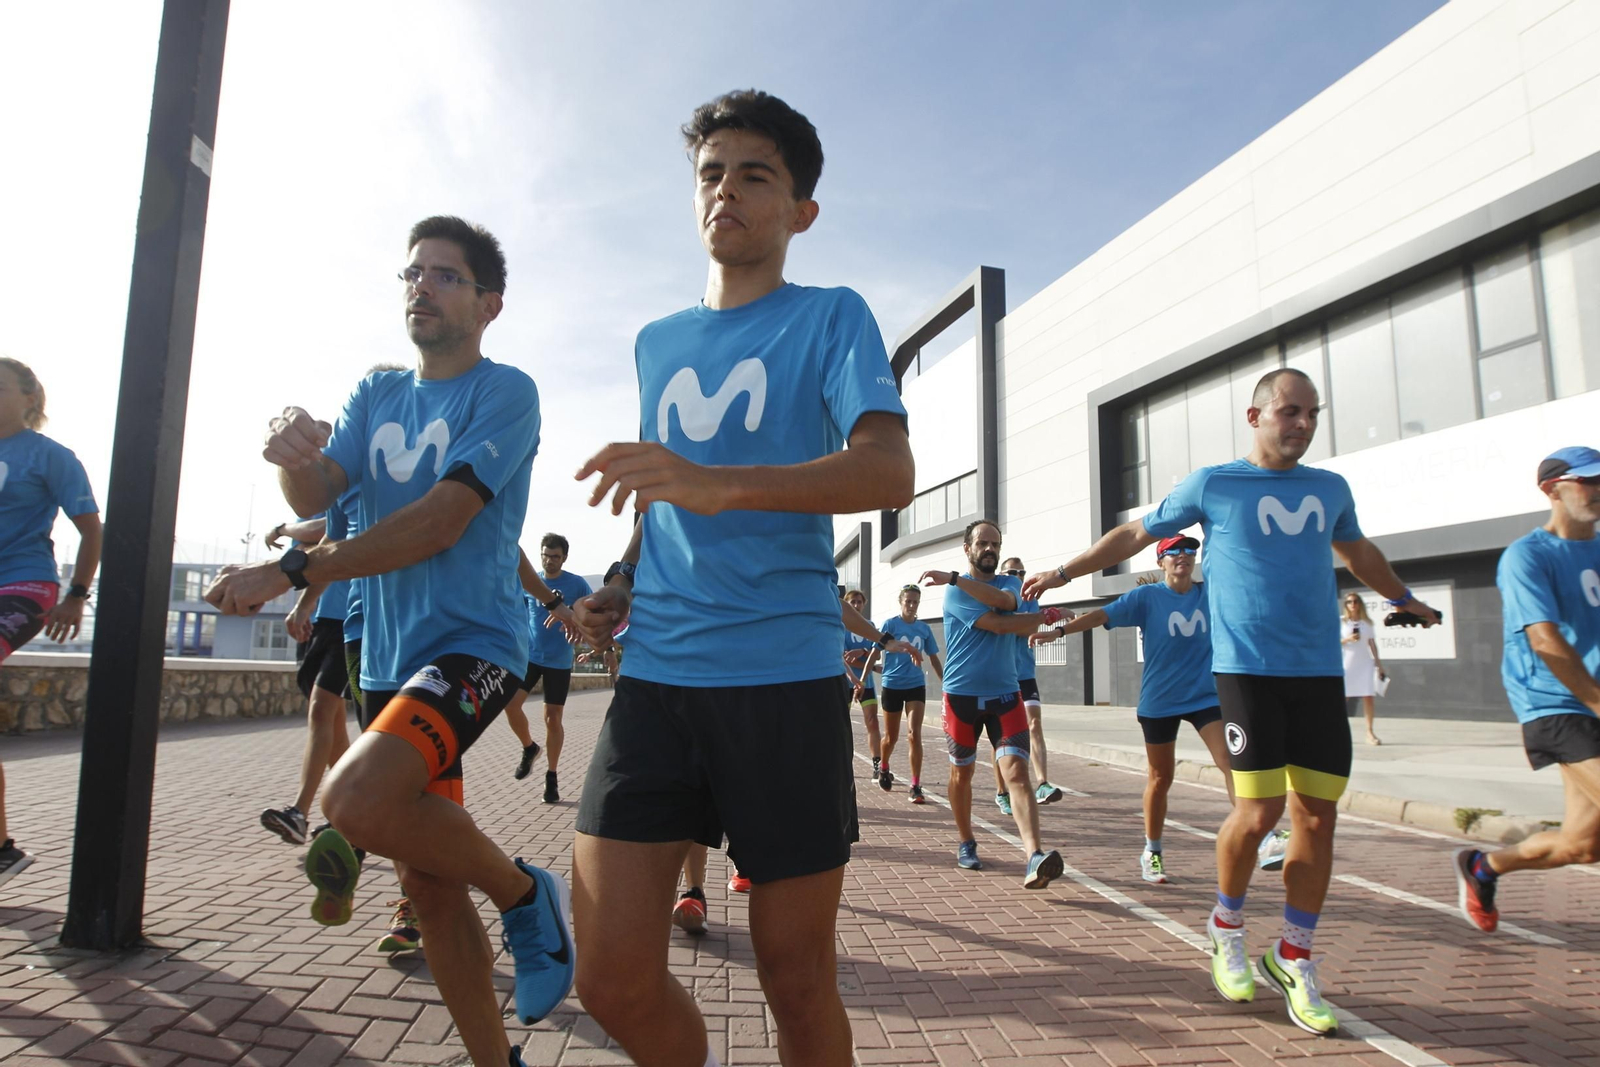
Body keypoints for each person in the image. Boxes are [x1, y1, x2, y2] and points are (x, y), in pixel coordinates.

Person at [567, 90, 914, 1067]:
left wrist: (716, 485)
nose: (726, 188)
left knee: (796, 983)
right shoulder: (656, 341)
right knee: (610, 974)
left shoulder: (832, 317)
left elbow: (887, 470)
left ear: (800, 209)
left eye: (754, 173)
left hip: (783, 674)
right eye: (710, 172)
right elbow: (662, 497)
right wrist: (623, 583)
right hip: (656, 680)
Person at [205, 215, 570, 1067]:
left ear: (490, 303)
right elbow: (323, 486)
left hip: (474, 649)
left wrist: (294, 574)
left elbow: (444, 520)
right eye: (413, 273)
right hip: (387, 659)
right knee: (430, 886)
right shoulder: (373, 395)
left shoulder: (506, 391)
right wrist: (291, 453)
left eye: (445, 276)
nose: (421, 287)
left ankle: (526, 893)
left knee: (353, 799)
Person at [1023, 367, 1439, 1037]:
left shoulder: (1329, 489)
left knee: (1319, 818)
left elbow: (1357, 549)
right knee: (1257, 811)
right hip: (1245, 671)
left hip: (1316, 675)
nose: (1301, 423)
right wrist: (1064, 572)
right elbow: (1135, 533)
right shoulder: (1215, 483)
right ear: (1255, 417)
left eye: (1311, 412)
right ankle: (1227, 924)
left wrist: (1402, 596)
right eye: (1288, 411)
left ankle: (1295, 954)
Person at [1031, 536, 1236, 884]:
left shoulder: (1209, 593)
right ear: (1161, 562)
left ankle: (1258, 832)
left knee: (1232, 762)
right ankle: (1152, 851)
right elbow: (1101, 615)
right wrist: (1058, 632)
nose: (1182, 556)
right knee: (1161, 778)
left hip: (1204, 697)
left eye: (1189, 550)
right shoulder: (1147, 597)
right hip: (1160, 700)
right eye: (1173, 551)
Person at [1455, 446, 1600, 935]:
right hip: (1555, 702)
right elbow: (1545, 639)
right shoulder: (1527, 556)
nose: (1599, 490)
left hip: (1593, 703)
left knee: (1582, 846)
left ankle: (1485, 868)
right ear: (1552, 489)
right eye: (1589, 481)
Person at [0, 357, 101, 884]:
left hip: (24, 585)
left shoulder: (50, 457)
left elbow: (91, 530)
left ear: (29, 400)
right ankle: (1, 847)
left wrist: (76, 595)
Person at [924, 520, 1066, 888]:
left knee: (1017, 772)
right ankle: (966, 840)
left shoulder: (1007, 583)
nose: (989, 549)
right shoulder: (954, 595)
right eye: (982, 543)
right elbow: (1003, 625)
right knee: (962, 774)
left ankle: (1034, 855)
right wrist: (1033, 618)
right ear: (967, 548)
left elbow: (1006, 604)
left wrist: (956, 578)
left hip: (1006, 693)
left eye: (995, 544)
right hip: (962, 696)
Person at [260, 506, 354, 846]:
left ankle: (299, 812)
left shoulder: (342, 492)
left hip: (351, 620)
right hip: (319, 622)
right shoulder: (306, 511)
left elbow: (328, 531)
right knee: (333, 727)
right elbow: (300, 564)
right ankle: (350, 816)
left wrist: (283, 528)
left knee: (321, 711)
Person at [509, 534, 592, 800]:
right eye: (545, 555)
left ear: (564, 557)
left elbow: (590, 615)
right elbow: (516, 613)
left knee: (552, 719)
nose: (549, 560)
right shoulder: (530, 582)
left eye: (555, 556)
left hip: (558, 661)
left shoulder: (577, 584)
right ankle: (529, 747)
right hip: (530, 657)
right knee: (510, 705)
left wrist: (569, 613)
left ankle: (551, 776)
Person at [991, 556, 1063, 814]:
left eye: (1021, 572)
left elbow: (1032, 627)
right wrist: (1048, 617)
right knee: (1000, 737)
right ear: (1002, 574)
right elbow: (1019, 628)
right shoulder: (998, 599)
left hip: (1024, 672)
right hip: (1000, 674)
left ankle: (1042, 783)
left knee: (1034, 723)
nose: (1018, 576)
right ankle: (1002, 792)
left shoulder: (1031, 599)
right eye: (1012, 572)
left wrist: (1046, 623)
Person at [874, 584, 944, 804]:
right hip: (892, 685)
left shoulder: (924, 629)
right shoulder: (890, 624)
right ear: (901, 602)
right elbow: (875, 652)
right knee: (891, 737)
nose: (912, 606)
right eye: (908, 602)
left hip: (915, 685)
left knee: (914, 734)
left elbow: (933, 658)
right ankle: (884, 767)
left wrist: (946, 684)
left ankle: (915, 785)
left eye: (915, 602)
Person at [842, 589, 884, 783]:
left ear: (864, 604)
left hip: (866, 682)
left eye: (859, 602)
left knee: (872, 721)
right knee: (842, 724)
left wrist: (863, 651)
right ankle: (843, 764)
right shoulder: (842, 627)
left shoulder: (869, 626)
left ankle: (877, 764)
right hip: (847, 681)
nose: (857, 605)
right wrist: (871, 663)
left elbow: (876, 651)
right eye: (853, 602)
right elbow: (845, 658)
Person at [1340, 593, 1385, 746]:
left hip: (1364, 663)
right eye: (1349, 602)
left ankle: (1370, 732)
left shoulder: (1367, 623)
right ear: (1345, 605)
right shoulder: (1342, 622)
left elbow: (1372, 645)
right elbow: (1334, 642)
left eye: (1355, 601)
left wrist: (1379, 665)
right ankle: (1339, 733)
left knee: (1368, 697)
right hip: (1347, 663)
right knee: (1343, 699)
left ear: (1360, 603)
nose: (1352, 604)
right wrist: (1348, 639)